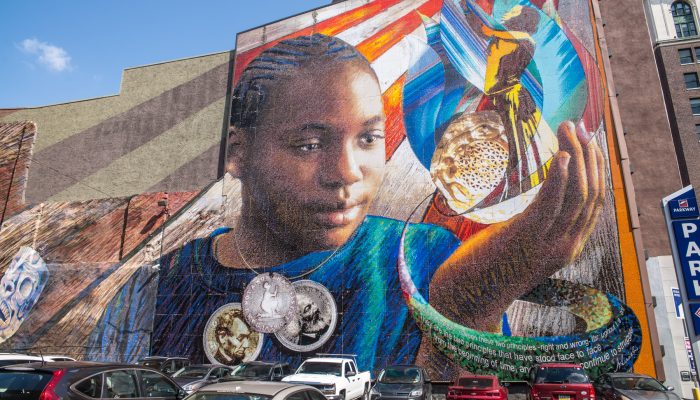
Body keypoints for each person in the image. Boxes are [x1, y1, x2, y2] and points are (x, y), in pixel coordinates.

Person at [149, 33, 603, 375]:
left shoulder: (427, 258)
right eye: (308, 144)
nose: (346, 172)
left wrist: (466, 311)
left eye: (369, 138)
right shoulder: (158, 287)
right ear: (238, 153)